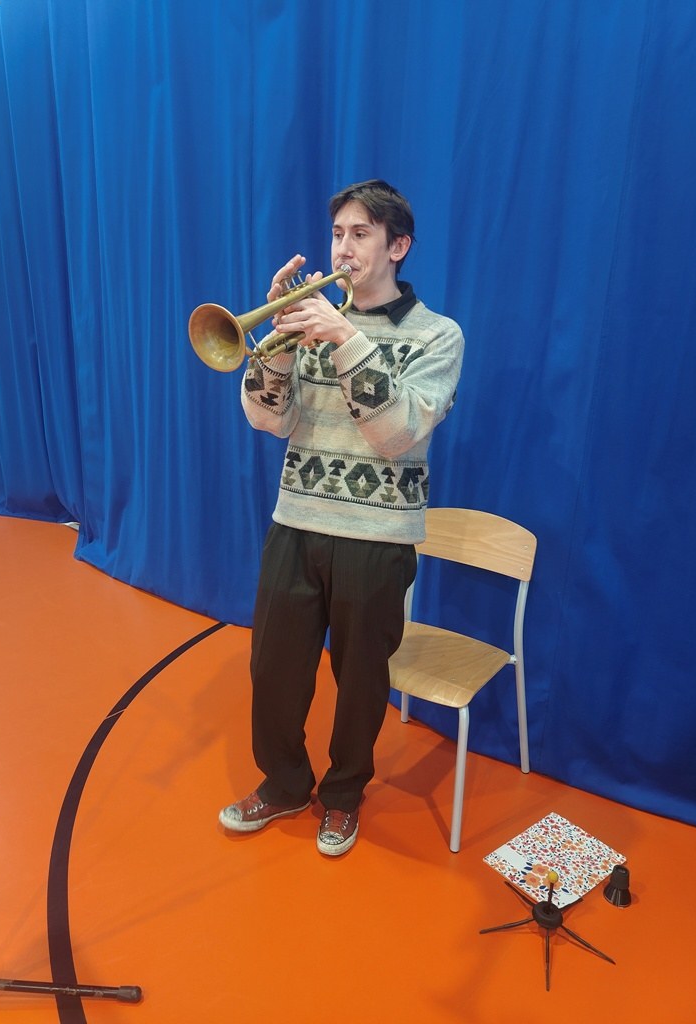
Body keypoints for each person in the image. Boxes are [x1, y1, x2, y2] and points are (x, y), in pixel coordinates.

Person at [219, 179, 464, 856]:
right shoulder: (312, 323)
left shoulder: (438, 335)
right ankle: (284, 784)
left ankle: (344, 796)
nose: (343, 250)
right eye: (337, 235)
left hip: (378, 536)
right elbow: (267, 419)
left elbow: (398, 435)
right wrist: (278, 342)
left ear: (398, 246)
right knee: (272, 668)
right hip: (297, 521)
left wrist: (347, 338)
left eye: (360, 235)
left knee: (360, 681)